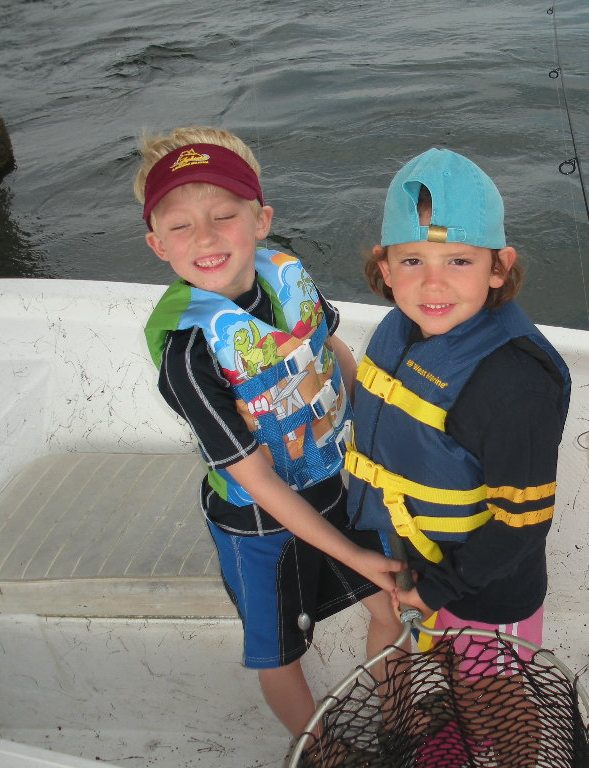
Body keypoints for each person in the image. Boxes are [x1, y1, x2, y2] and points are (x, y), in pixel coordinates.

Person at [135, 125, 402, 740]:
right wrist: (354, 552)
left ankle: (395, 718)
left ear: (261, 220)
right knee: (281, 650)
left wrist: (376, 436)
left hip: (337, 484)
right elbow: (252, 475)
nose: (205, 237)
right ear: (157, 245)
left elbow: (329, 350)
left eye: (224, 215)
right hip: (260, 525)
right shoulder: (189, 354)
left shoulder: (286, 276)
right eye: (180, 226)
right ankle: (324, 751)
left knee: (388, 605)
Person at [346, 148, 572, 762]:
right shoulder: (404, 331)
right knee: (455, 678)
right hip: (420, 566)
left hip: (483, 590)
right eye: (412, 260)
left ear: (499, 267)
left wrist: (440, 588)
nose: (433, 282)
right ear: (384, 266)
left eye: (459, 261)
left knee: (492, 693)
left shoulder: (515, 383)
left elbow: (521, 524)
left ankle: (519, 758)